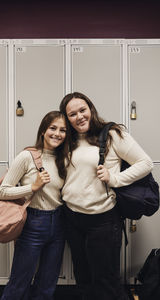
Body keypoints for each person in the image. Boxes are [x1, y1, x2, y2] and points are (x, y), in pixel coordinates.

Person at [59, 92, 153, 300]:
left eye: (82, 110)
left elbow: (146, 163)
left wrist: (115, 179)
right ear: (66, 118)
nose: (79, 117)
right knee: (83, 278)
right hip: (72, 218)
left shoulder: (112, 134)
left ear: (91, 109)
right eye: (72, 114)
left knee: (105, 281)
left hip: (102, 220)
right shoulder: (68, 140)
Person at [0, 111, 69, 300]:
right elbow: (3, 191)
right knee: (19, 283)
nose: (57, 133)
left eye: (63, 130)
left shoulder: (64, 159)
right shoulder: (27, 156)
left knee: (47, 285)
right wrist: (33, 186)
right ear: (43, 131)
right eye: (53, 128)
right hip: (33, 223)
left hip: (59, 223)